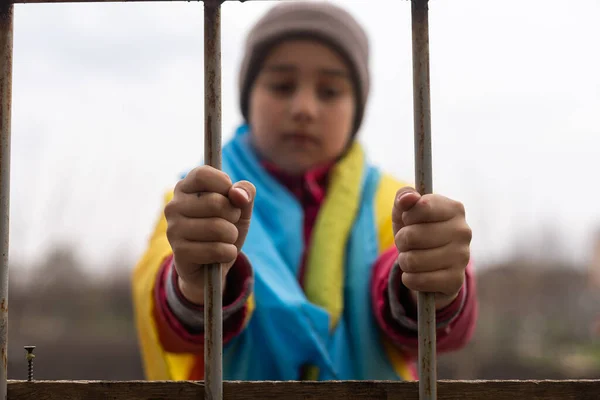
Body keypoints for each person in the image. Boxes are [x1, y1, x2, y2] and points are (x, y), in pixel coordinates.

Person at [132, 1, 478, 382]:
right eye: (282, 86)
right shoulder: (194, 202)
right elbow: (160, 305)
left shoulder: (400, 203)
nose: (304, 108)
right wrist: (193, 282)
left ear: (356, 109)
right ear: (248, 97)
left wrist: (437, 284)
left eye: (329, 91)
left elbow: (428, 329)